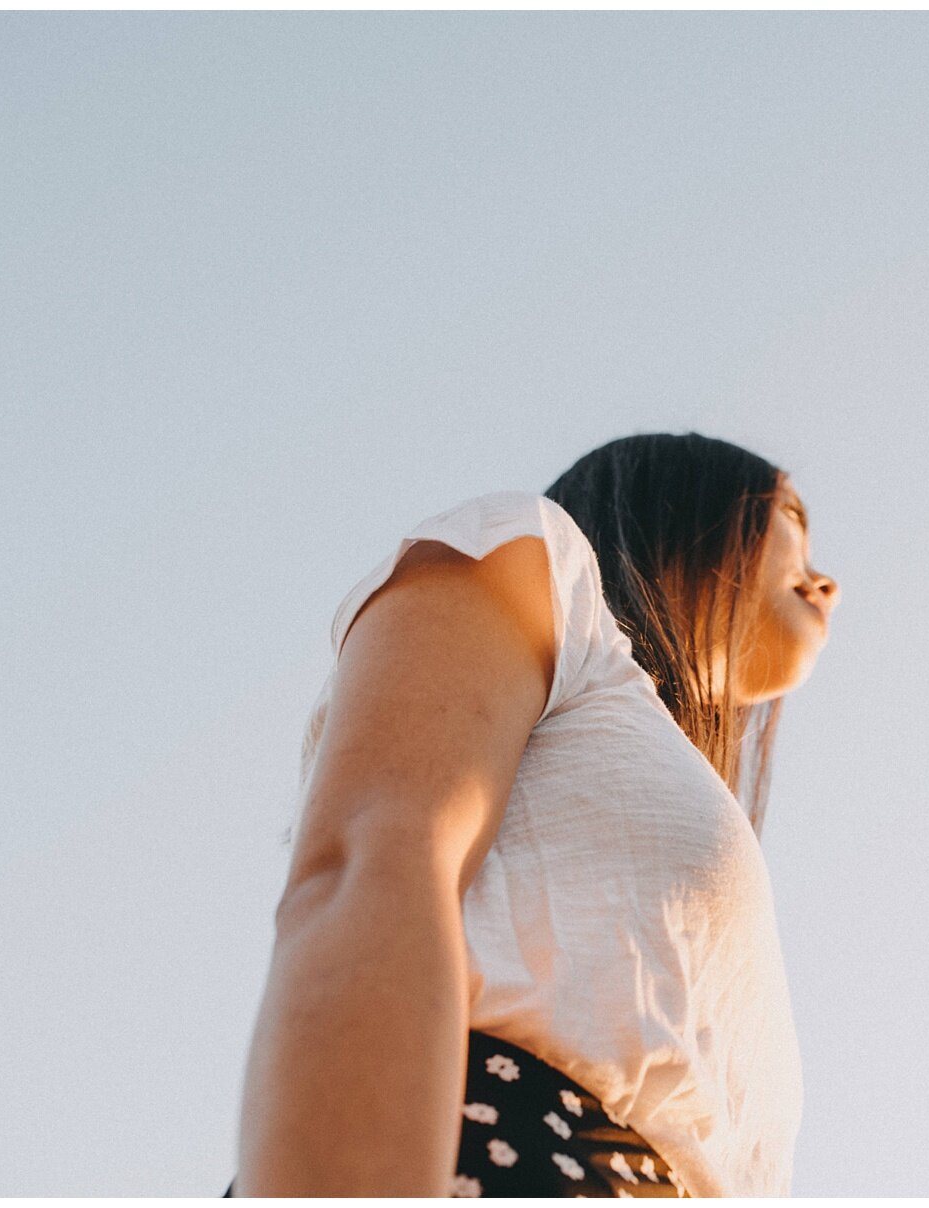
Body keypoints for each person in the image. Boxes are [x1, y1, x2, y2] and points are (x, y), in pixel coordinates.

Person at [231, 433, 839, 1197]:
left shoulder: (647, 753)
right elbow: (372, 860)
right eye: (790, 513)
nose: (828, 582)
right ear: (684, 505)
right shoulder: (531, 560)